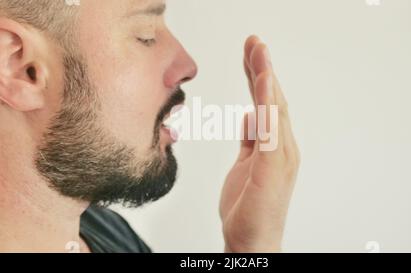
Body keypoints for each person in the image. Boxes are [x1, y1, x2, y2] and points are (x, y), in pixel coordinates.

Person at [0, 0, 300, 253]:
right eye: (145, 36)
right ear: (21, 69)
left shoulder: (108, 232)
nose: (188, 65)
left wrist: (250, 248)